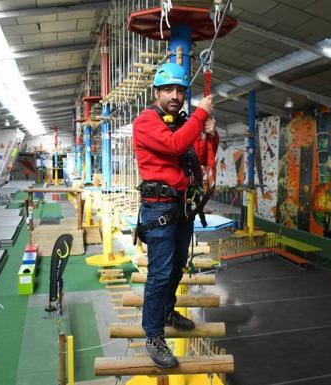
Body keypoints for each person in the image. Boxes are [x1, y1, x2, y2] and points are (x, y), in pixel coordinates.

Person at [132, 62, 218, 368]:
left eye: (180, 90)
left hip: (182, 206)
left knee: (177, 265)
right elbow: (175, 145)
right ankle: (153, 334)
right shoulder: (146, 122)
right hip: (159, 207)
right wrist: (200, 116)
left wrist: (210, 133)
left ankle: (167, 311)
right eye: (168, 89)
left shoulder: (183, 122)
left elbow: (202, 156)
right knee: (160, 272)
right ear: (156, 92)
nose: (175, 95)